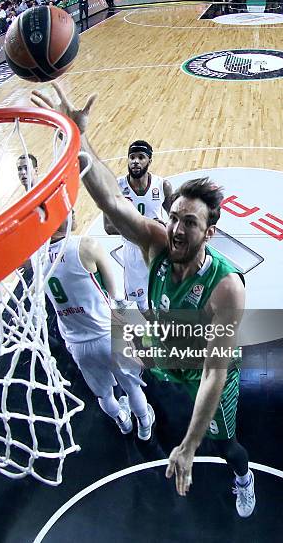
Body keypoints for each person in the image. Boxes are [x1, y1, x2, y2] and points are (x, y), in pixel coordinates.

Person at [30, 82, 255, 517]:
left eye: (189, 222)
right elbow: (114, 202)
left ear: (209, 233)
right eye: (174, 218)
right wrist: (79, 142)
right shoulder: (157, 242)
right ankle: (138, 404)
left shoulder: (227, 288)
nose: (176, 228)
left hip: (207, 370)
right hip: (166, 346)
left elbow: (213, 372)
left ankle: (243, 478)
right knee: (126, 346)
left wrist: (187, 447)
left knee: (225, 444)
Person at [43, 215, 154, 439]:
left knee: (104, 395)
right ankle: (144, 425)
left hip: (77, 343)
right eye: (68, 211)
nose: (73, 212)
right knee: (132, 387)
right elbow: (117, 297)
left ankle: (122, 422)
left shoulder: (36, 261)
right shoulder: (86, 246)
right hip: (107, 334)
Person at [104, 140, 172, 311]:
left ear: (150, 160)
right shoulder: (116, 187)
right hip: (133, 251)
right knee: (141, 301)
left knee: (164, 295)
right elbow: (108, 227)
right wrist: (144, 226)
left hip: (159, 249)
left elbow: (175, 218)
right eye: (132, 157)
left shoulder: (162, 185)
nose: (135, 161)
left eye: (141, 157)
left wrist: (166, 228)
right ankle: (152, 331)